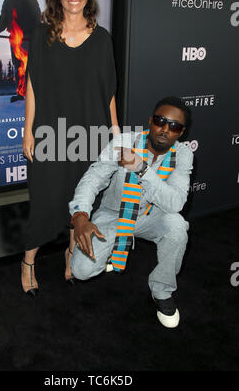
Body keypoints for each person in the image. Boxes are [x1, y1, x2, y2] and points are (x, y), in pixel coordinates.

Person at [22, 0, 119, 296]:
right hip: (51, 133)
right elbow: (32, 85)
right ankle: (29, 261)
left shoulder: (102, 39)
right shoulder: (40, 36)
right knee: (46, 201)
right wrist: (28, 129)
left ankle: (70, 252)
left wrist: (116, 134)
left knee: (81, 200)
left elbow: (108, 92)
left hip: (91, 134)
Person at [69, 97, 194, 328]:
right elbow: (93, 178)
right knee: (81, 270)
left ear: (182, 132)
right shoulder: (124, 143)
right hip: (114, 214)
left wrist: (142, 168)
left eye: (174, 126)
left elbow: (175, 203)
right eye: (160, 121)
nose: (165, 129)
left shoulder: (183, 155)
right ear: (150, 120)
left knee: (177, 226)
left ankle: (162, 290)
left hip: (152, 215)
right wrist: (80, 215)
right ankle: (112, 248)